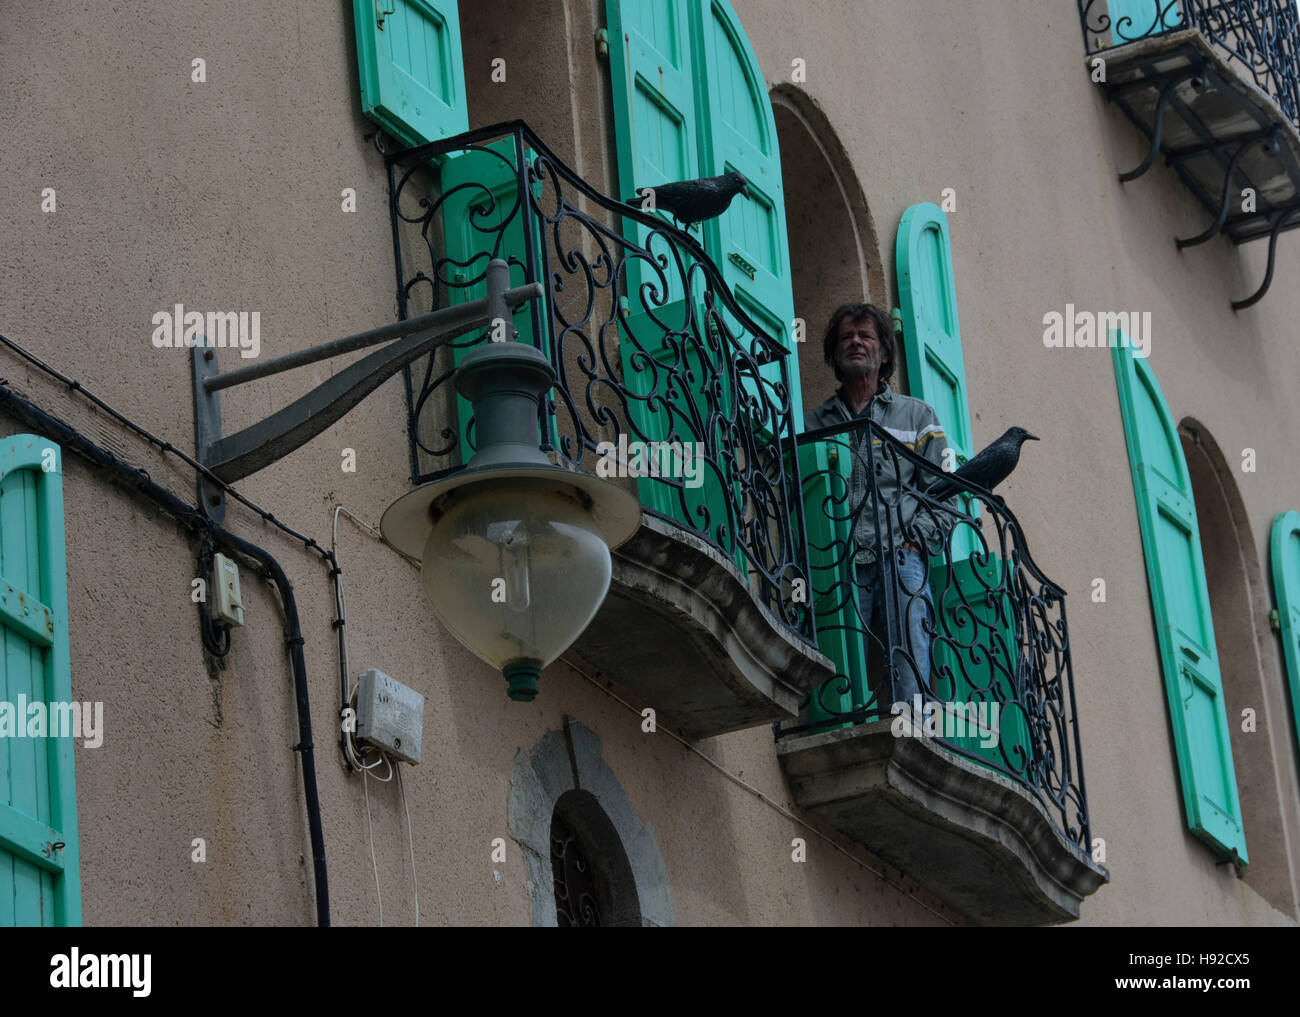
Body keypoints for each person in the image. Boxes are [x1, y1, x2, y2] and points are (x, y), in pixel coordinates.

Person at [803, 302, 953, 718]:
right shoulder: (815, 424)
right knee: (838, 656)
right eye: (846, 337)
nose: (855, 342)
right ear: (834, 355)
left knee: (908, 657)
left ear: (884, 353)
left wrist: (916, 542)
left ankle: (914, 732)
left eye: (865, 336)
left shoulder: (917, 415)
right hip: (840, 562)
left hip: (899, 556)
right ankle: (838, 727)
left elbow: (947, 493)